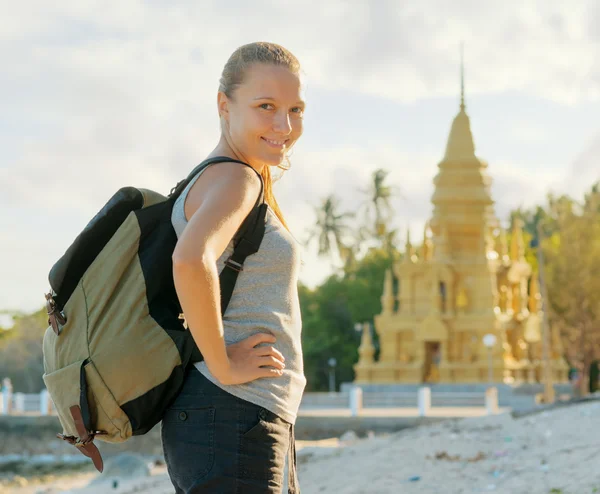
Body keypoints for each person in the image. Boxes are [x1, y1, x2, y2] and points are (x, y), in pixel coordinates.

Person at [161, 42, 307, 493]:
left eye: (295, 109)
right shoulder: (235, 179)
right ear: (225, 105)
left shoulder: (219, 175)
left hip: (230, 416)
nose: (284, 125)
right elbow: (189, 259)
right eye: (266, 106)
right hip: (234, 412)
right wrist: (222, 364)